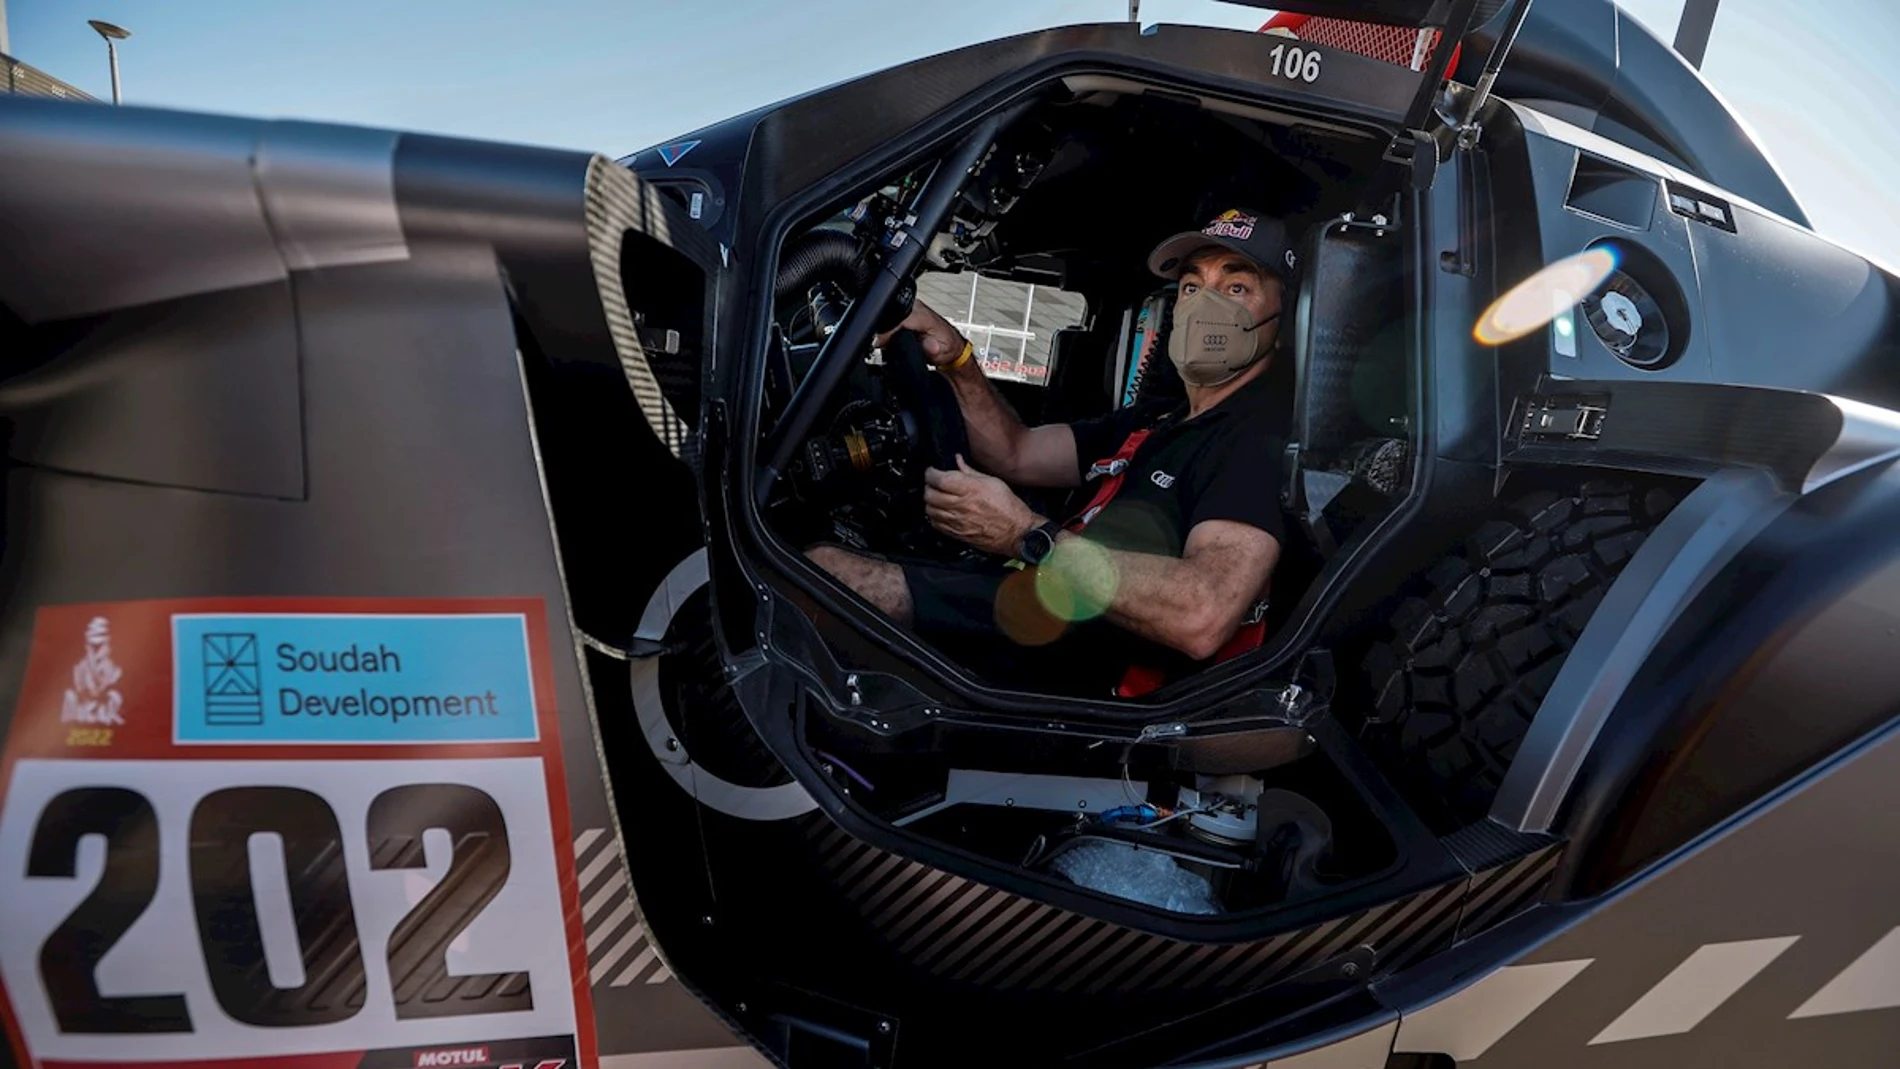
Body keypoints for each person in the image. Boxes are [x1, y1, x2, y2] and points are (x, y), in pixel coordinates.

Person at [807, 207, 1298, 697]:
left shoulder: (1255, 440)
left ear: (1288, 316)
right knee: (828, 559)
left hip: (1077, 681)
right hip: (1029, 612)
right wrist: (957, 357)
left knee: (831, 578)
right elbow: (1015, 452)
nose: (1203, 306)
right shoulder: (1157, 422)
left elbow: (1202, 614)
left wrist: (1025, 535)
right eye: (1192, 287)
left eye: (1237, 288)